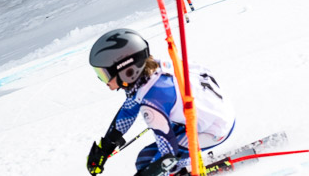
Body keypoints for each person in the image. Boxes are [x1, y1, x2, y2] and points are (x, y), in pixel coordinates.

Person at [86, 28, 235, 176]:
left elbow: (169, 157)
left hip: (213, 130)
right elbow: (128, 110)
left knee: (146, 162)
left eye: (105, 74)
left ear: (127, 70)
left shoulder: (152, 104)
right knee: (146, 159)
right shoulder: (152, 70)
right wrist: (105, 147)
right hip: (213, 112)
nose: (104, 82)